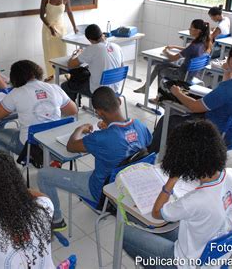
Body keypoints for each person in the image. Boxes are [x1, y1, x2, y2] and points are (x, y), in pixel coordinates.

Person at [124, 120, 232, 269]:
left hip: (184, 264)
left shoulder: (196, 200)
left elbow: (156, 212)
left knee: (125, 232)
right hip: (217, 256)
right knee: (166, 227)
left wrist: (172, 178)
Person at [37, 86, 151, 231]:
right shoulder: (140, 125)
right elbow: (139, 145)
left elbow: (71, 146)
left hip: (103, 189)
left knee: (43, 174)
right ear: (119, 102)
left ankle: (57, 220)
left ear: (99, 112)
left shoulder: (101, 138)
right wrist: (110, 128)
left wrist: (79, 129)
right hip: (128, 183)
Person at [148, 43, 232, 152]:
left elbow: (194, 107)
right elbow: (227, 93)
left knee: (168, 120)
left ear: (231, 60)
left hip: (213, 133)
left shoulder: (228, 88)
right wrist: (227, 71)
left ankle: (151, 152)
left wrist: (177, 93)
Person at [0, 60, 77, 155]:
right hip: (55, 143)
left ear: (15, 77)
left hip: (30, 147)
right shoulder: (54, 88)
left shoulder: (16, 92)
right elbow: (73, 110)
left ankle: (7, 168)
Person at [134, 19, 212, 104]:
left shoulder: (193, 46)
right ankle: (147, 89)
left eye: (191, 28)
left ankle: (159, 98)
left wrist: (166, 52)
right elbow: (188, 50)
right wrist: (175, 47)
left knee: (160, 70)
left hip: (182, 75)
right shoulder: (204, 43)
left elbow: (173, 58)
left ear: (198, 31)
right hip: (192, 74)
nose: (189, 29)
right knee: (160, 65)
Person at [61, 24, 124, 102]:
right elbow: (121, 66)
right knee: (87, 76)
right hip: (116, 88)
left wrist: (76, 55)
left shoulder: (92, 49)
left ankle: (71, 111)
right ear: (102, 34)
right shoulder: (117, 47)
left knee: (66, 86)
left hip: (99, 91)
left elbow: (70, 65)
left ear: (90, 40)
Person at [40, 0, 78, 82]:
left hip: (61, 29)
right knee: (48, 52)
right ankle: (50, 74)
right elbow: (41, 15)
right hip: (48, 29)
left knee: (62, 51)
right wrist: (50, 27)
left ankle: (65, 72)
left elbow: (70, 12)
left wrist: (75, 27)